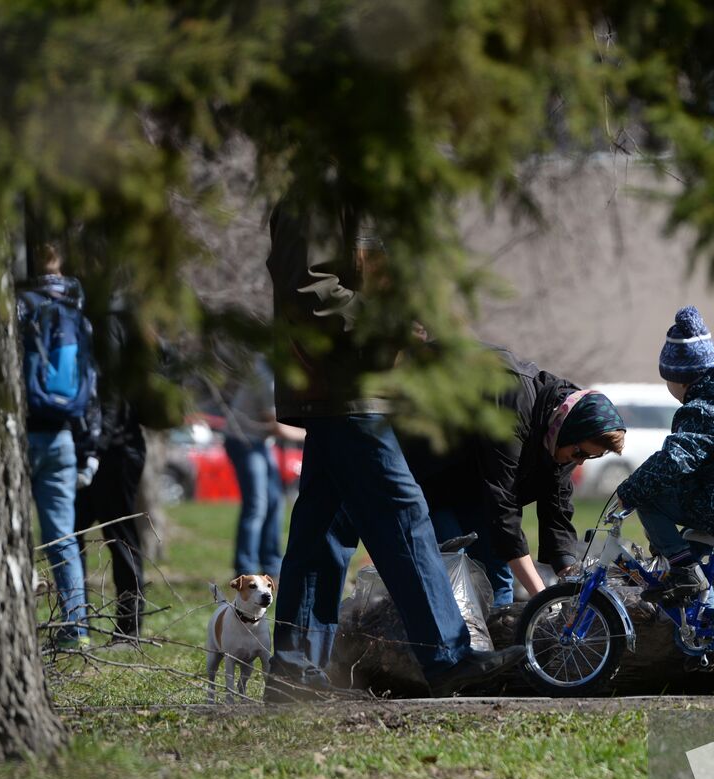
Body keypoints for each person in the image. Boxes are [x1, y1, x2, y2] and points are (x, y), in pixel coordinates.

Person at [266, 196, 525, 699]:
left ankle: (294, 672)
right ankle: (447, 656)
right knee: (402, 511)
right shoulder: (317, 192)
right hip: (341, 389)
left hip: (354, 387)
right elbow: (311, 290)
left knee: (323, 532)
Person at [404, 347, 626, 606]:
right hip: (431, 475)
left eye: (589, 457)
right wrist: (542, 597)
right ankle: (448, 643)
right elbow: (503, 503)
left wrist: (568, 578)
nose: (579, 461)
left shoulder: (563, 435)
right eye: (579, 452)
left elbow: (557, 507)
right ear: (569, 431)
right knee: (453, 567)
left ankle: (496, 638)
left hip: (476, 491)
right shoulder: (514, 401)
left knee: (498, 579)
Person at [615, 306, 714, 604]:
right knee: (694, 568)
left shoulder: (700, 410)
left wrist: (630, 489)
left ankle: (683, 571)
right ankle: (701, 634)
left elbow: (675, 460)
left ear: (681, 379)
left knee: (648, 497)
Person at [18, 242, 95, 649]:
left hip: (23, 433)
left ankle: (10, 624)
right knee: (63, 537)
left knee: (10, 531)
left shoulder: (21, 304)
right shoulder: (78, 312)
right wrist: (91, 448)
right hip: (63, 435)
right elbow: (91, 386)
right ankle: (77, 629)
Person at [74, 294, 149, 649]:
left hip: (116, 449)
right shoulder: (88, 313)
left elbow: (111, 395)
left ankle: (129, 628)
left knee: (120, 537)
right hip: (92, 447)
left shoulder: (110, 319)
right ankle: (75, 624)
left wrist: (96, 448)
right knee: (70, 536)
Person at [221, 352, 303, 580]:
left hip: (260, 442)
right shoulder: (267, 379)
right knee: (257, 504)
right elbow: (279, 427)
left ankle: (272, 567)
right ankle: (244, 569)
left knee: (275, 501)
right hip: (243, 440)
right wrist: (315, 434)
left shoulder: (269, 369)